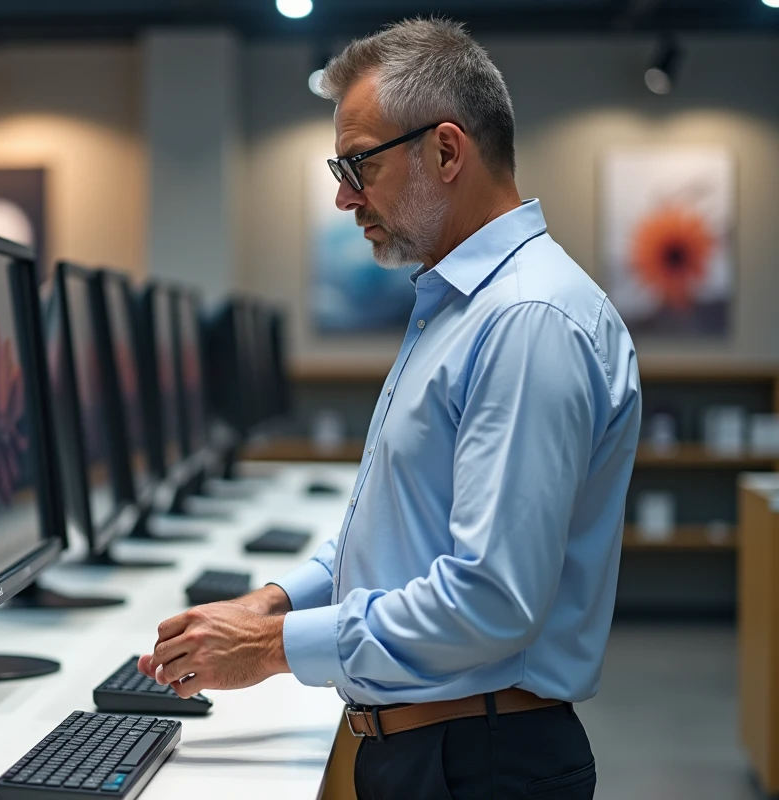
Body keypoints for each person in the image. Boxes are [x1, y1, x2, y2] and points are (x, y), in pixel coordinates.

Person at [138, 17, 641, 800]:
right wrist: (274, 601)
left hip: (478, 762)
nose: (343, 196)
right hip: (444, 746)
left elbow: (489, 599)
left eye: (357, 164)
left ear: (445, 151)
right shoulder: (460, 308)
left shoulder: (525, 320)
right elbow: (398, 541)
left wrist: (272, 647)